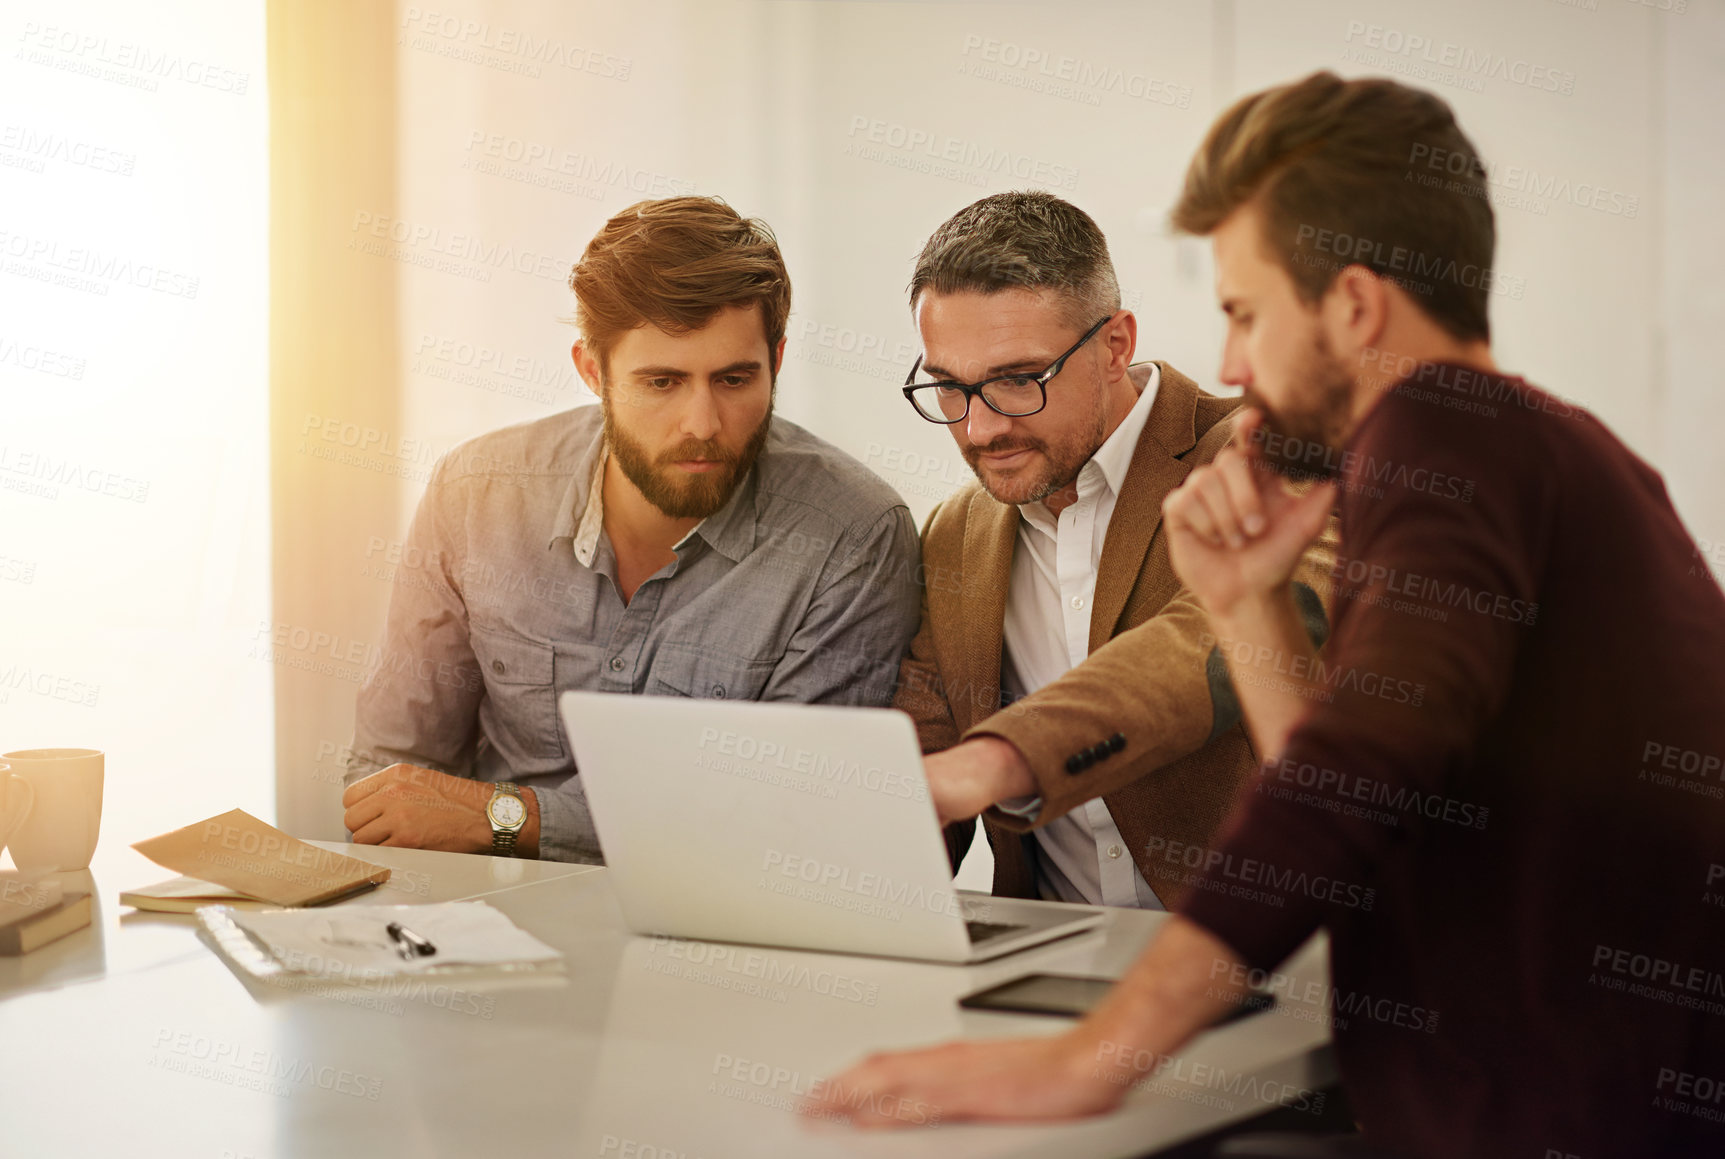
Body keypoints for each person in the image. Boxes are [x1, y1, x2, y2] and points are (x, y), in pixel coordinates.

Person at [805, 72, 1725, 1158]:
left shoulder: (1442, 440)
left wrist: (1083, 1060)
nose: (1233, 361)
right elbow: (1360, 798)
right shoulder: (1549, 445)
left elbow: (1342, 789)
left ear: (1353, 304)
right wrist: (1252, 609)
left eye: (1245, 311)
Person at [341, 196, 920, 861]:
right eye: (662, 381)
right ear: (593, 370)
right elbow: (390, 778)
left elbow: (787, 818)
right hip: (484, 929)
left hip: (724, 942)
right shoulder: (475, 493)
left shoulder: (854, 536)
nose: (702, 422)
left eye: (734, 378)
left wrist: (508, 817)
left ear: (777, 360)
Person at [892, 191, 1335, 911]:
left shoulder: (1261, 456)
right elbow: (917, 775)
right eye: (948, 387)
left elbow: (1209, 647)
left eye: (1016, 380)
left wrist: (998, 760)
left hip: (1257, 964)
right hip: (1055, 963)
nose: (977, 430)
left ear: (1114, 345)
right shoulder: (955, 533)